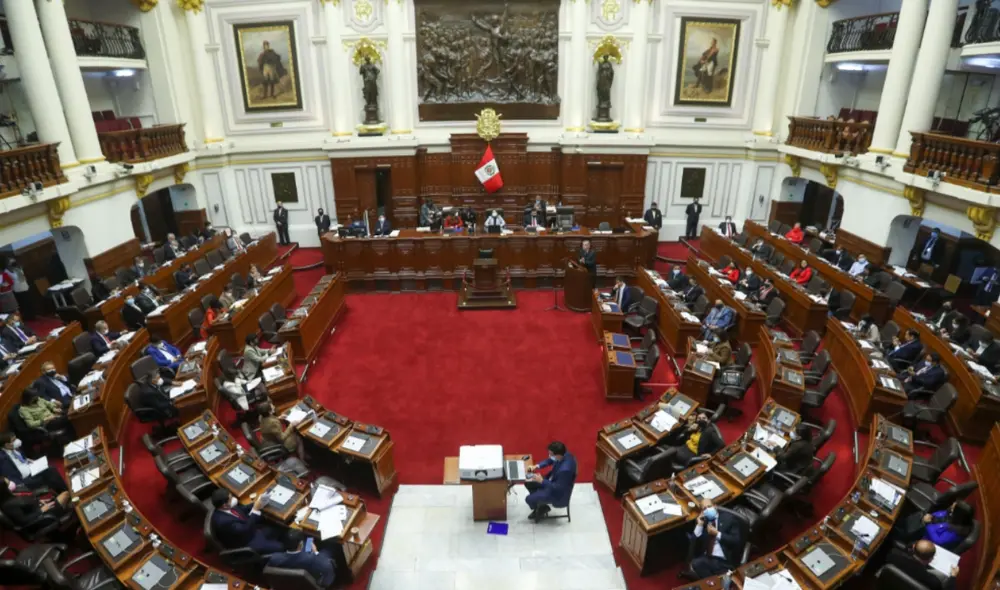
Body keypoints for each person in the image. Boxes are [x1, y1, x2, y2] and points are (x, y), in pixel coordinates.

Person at [682, 499, 746, 579]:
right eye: (704, 509)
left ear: (715, 506)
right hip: (708, 558)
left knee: (698, 565)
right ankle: (717, 582)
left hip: (724, 560)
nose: (707, 510)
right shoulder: (703, 522)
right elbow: (694, 547)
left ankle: (718, 581)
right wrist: (699, 526)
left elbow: (736, 541)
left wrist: (717, 534)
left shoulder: (729, 519)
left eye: (709, 506)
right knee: (696, 563)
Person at [210, 489, 286, 555]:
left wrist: (258, 502)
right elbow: (245, 529)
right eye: (231, 498)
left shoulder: (226, 508)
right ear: (224, 505)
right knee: (280, 546)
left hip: (252, 531)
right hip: (247, 541)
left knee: (278, 530)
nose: (233, 499)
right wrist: (255, 510)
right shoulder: (223, 522)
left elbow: (242, 509)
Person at [525, 441, 577, 521]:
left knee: (528, 499)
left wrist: (542, 481)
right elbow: (550, 460)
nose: (549, 456)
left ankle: (542, 507)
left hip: (556, 494)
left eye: (551, 454)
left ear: (558, 455)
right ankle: (540, 503)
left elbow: (558, 488)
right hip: (552, 481)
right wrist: (537, 466)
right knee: (528, 482)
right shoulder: (564, 454)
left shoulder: (565, 470)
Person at [0, 432, 67, 492]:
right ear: (7, 445)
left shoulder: (14, 449)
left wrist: (26, 460)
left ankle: (63, 493)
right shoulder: (3, 459)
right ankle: (65, 492)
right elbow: (11, 476)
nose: (17, 441)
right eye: (13, 440)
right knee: (50, 471)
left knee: (50, 469)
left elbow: (20, 459)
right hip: (24, 481)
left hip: (31, 469)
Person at [267, 529, 336, 587]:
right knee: (330, 547)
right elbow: (327, 568)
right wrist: (315, 552)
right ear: (300, 544)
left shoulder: (275, 558)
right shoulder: (312, 558)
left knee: (309, 540)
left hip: (291, 581)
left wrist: (309, 540)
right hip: (311, 571)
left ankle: (309, 538)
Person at [897, 501, 976, 552]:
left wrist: (928, 523)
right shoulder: (954, 516)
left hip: (925, 542)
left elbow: (937, 540)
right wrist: (931, 517)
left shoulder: (957, 532)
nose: (950, 508)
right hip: (926, 527)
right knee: (905, 520)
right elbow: (941, 513)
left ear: (958, 515)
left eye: (953, 509)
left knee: (900, 531)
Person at [0, 476, 70, 530]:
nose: (11, 483)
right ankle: (64, 517)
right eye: (8, 483)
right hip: (40, 519)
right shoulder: (8, 505)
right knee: (65, 494)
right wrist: (41, 510)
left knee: (63, 499)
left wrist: (38, 501)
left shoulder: (12, 494)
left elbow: (26, 501)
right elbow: (24, 521)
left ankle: (64, 513)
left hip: (39, 508)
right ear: (4, 489)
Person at [886, 540, 958, 590]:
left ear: (913, 548)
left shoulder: (892, 556)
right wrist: (953, 577)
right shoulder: (933, 581)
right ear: (931, 559)